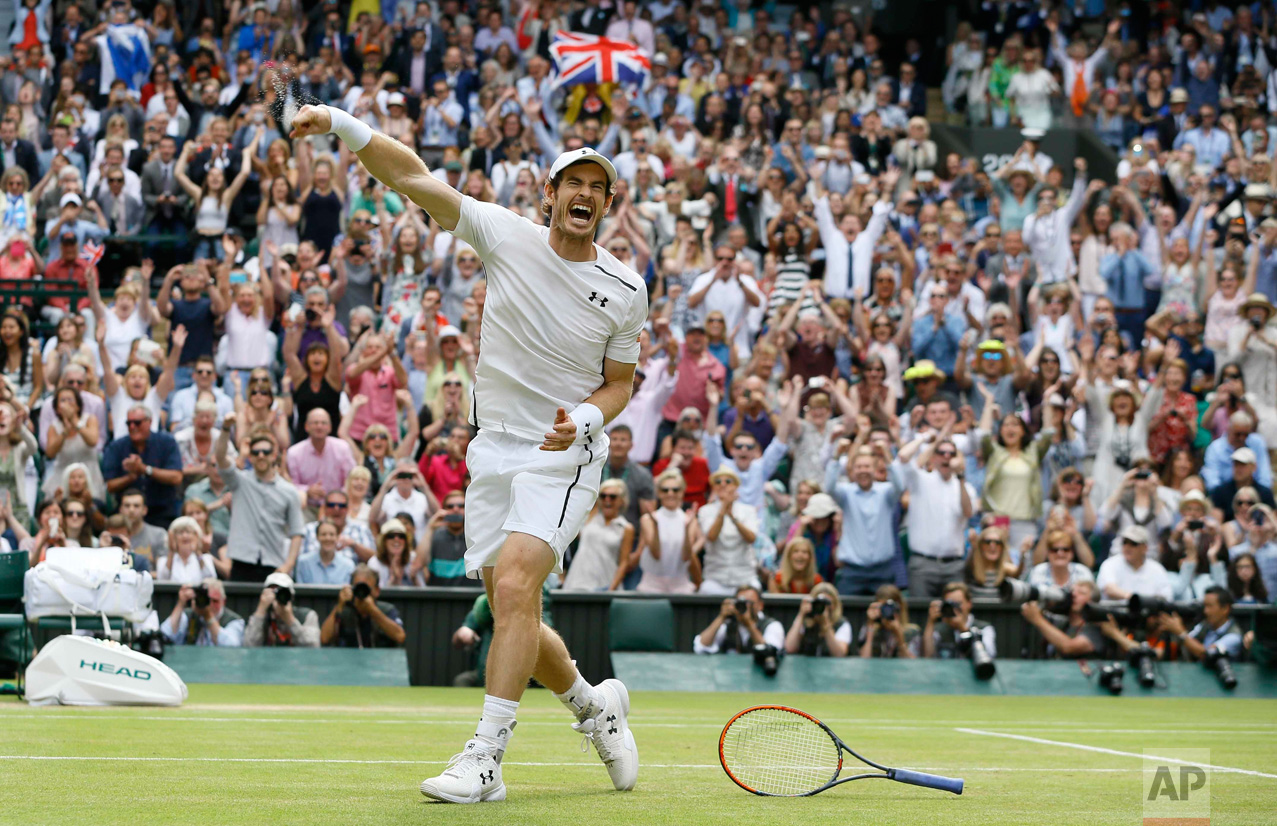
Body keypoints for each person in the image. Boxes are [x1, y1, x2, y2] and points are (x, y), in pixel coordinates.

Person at [293, 103, 643, 800]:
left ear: (606, 204)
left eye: (597, 188)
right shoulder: (502, 232)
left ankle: (485, 759)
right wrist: (338, 121)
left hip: (566, 456)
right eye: (572, 183)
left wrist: (580, 418)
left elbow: (620, 384)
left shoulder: (626, 288)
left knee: (515, 588)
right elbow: (413, 178)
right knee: (513, 608)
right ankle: (594, 709)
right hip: (494, 450)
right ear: (549, 194)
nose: (584, 195)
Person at [216, 417, 304, 583]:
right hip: (241, 563)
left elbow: (297, 532)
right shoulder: (239, 482)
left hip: (273, 565)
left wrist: (287, 566)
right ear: (250, 457)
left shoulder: (289, 491)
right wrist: (226, 429)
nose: (261, 456)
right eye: (256, 452)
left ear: (274, 455)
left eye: (266, 452)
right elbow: (220, 458)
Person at [825, 443, 904, 596]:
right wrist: (836, 457)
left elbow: (900, 487)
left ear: (875, 469)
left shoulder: (886, 491)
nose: (863, 471)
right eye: (859, 467)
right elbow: (829, 487)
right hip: (853, 571)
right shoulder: (846, 493)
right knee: (846, 612)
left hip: (883, 570)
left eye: (867, 466)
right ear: (852, 470)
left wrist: (887, 458)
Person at [102, 406, 183, 527]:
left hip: (161, 512)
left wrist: (145, 469)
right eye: (129, 423)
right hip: (126, 514)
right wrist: (131, 477)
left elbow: (176, 477)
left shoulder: (167, 442)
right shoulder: (116, 447)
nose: (132, 427)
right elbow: (109, 486)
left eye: (137, 423)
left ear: (149, 422)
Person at [561, 480, 634, 592]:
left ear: (622, 501)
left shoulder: (626, 528)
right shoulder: (590, 516)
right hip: (577, 582)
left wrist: (611, 589)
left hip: (606, 584)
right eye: (603, 496)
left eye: (612, 496)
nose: (607, 500)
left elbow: (624, 562)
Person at [634, 469, 700, 594]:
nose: (670, 493)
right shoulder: (648, 519)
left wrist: (685, 529)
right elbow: (656, 554)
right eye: (665, 490)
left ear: (682, 492)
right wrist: (657, 527)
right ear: (659, 493)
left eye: (675, 490)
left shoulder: (690, 520)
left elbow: (686, 556)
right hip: (651, 585)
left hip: (681, 586)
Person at [697, 466, 760, 595]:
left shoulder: (748, 510)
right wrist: (723, 508)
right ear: (713, 487)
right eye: (718, 482)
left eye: (728, 481)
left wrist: (732, 517)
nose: (723, 485)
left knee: (756, 592)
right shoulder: (705, 511)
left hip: (745, 578)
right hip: (715, 580)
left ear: (736, 486)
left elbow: (751, 538)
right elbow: (712, 536)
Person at [320, 564, 407, 649]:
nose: (362, 593)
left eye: (366, 589)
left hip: (381, 661)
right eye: (359, 588)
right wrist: (340, 605)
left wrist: (373, 611)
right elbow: (324, 638)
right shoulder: (344, 610)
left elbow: (400, 637)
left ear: (377, 591)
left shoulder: (387, 610)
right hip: (349, 661)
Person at [1019, 580, 1107, 658]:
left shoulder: (1095, 627)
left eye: (1081, 593)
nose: (1074, 595)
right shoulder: (1062, 623)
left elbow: (1069, 647)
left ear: (1092, 602)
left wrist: (1037, 619)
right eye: (1072, 591)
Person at [1159, 585, 1243, 662]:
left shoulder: (1234, 636)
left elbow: (1208, 655)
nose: (1205, 611)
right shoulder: (1205, 625)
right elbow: (1188, 640)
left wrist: (1180, 632)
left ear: (1225, 609)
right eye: (1205, 606)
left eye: (1210, 606)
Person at [693, 585, 785, 654]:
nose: (745, 606)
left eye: (749, 602)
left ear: (760, 605)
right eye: (741, 603)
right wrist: (721, 617)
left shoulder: (772, 625)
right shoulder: (729, 625)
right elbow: (700, 647)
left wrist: (749, 624)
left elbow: (770, 653)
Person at [1096, 525, 1175, 600]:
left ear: (1144, 548)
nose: (1127, 547)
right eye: (1125, 542)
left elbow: (1166, 597)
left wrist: (1143, 603)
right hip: (1116, 611)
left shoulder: (1157, 569)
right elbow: (1109, 589)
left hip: (1148, 612)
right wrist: (1135, 599)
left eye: (1133, 543)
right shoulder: (1110, 564)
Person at [244, 572, 321, 648]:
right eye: (273, 592)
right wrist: (260, 611)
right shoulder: (260, 617)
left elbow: (313, 647)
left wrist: (290, 620)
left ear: (291, 596)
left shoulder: (307, 616)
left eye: (282, 592)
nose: (277, 596)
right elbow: (248, 646)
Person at [160, 577, 244, 647]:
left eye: (215, 601)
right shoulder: (189, 615)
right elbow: (165, 634)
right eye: (207, 600)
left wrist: (208, 616)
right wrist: (181, 603)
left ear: (224, 601)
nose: (210, 605)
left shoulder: (234, 620)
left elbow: (231, 647)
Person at [922, 582, 996, 659]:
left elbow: (988, 656)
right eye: (950, 604)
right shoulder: (939, 629)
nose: (955, 608)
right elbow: (928, 656)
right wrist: (930, 622)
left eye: (958, 603)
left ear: (969, 604)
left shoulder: (984, 628)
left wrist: (962, 628)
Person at [783, 582, 852, 657]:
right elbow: (789, 648)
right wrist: (801, 614)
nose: (822, 607)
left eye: (827, 604)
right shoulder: (806, 621)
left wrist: (826, 625)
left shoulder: (842, 624)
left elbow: (840, 654)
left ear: (834, 605)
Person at [858, 584, 919, 658]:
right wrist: (870, 627)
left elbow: (912, 665)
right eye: (883, 607)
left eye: (890, 608)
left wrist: (899, 637)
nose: (886, 611)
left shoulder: (912, 632)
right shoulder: (869, 629)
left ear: (899, 608)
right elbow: (863, 661)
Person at [294, 518, 358, 586]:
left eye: (332, 534)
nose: (328, 538)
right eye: (323, 534)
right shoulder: (303, 562)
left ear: (337, 537)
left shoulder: (348, 565)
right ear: (317, 537)